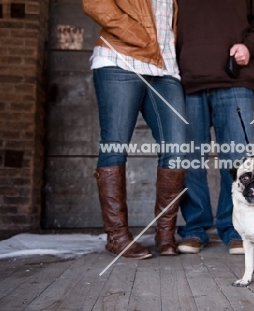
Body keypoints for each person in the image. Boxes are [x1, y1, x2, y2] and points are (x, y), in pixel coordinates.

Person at [83, 0, 186, 258]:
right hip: (119, 60)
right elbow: (95, 3)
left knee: (177, 148)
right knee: (115, 146)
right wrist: (138, 35)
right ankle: (117, 236)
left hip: (165, 68)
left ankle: (165, 233)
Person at [176, 0, 254, 254]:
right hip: (187, 83)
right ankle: (194, 228)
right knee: (190, 161)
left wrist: (249, 46)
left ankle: (235, 229)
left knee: (236, 162)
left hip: (235, 82)